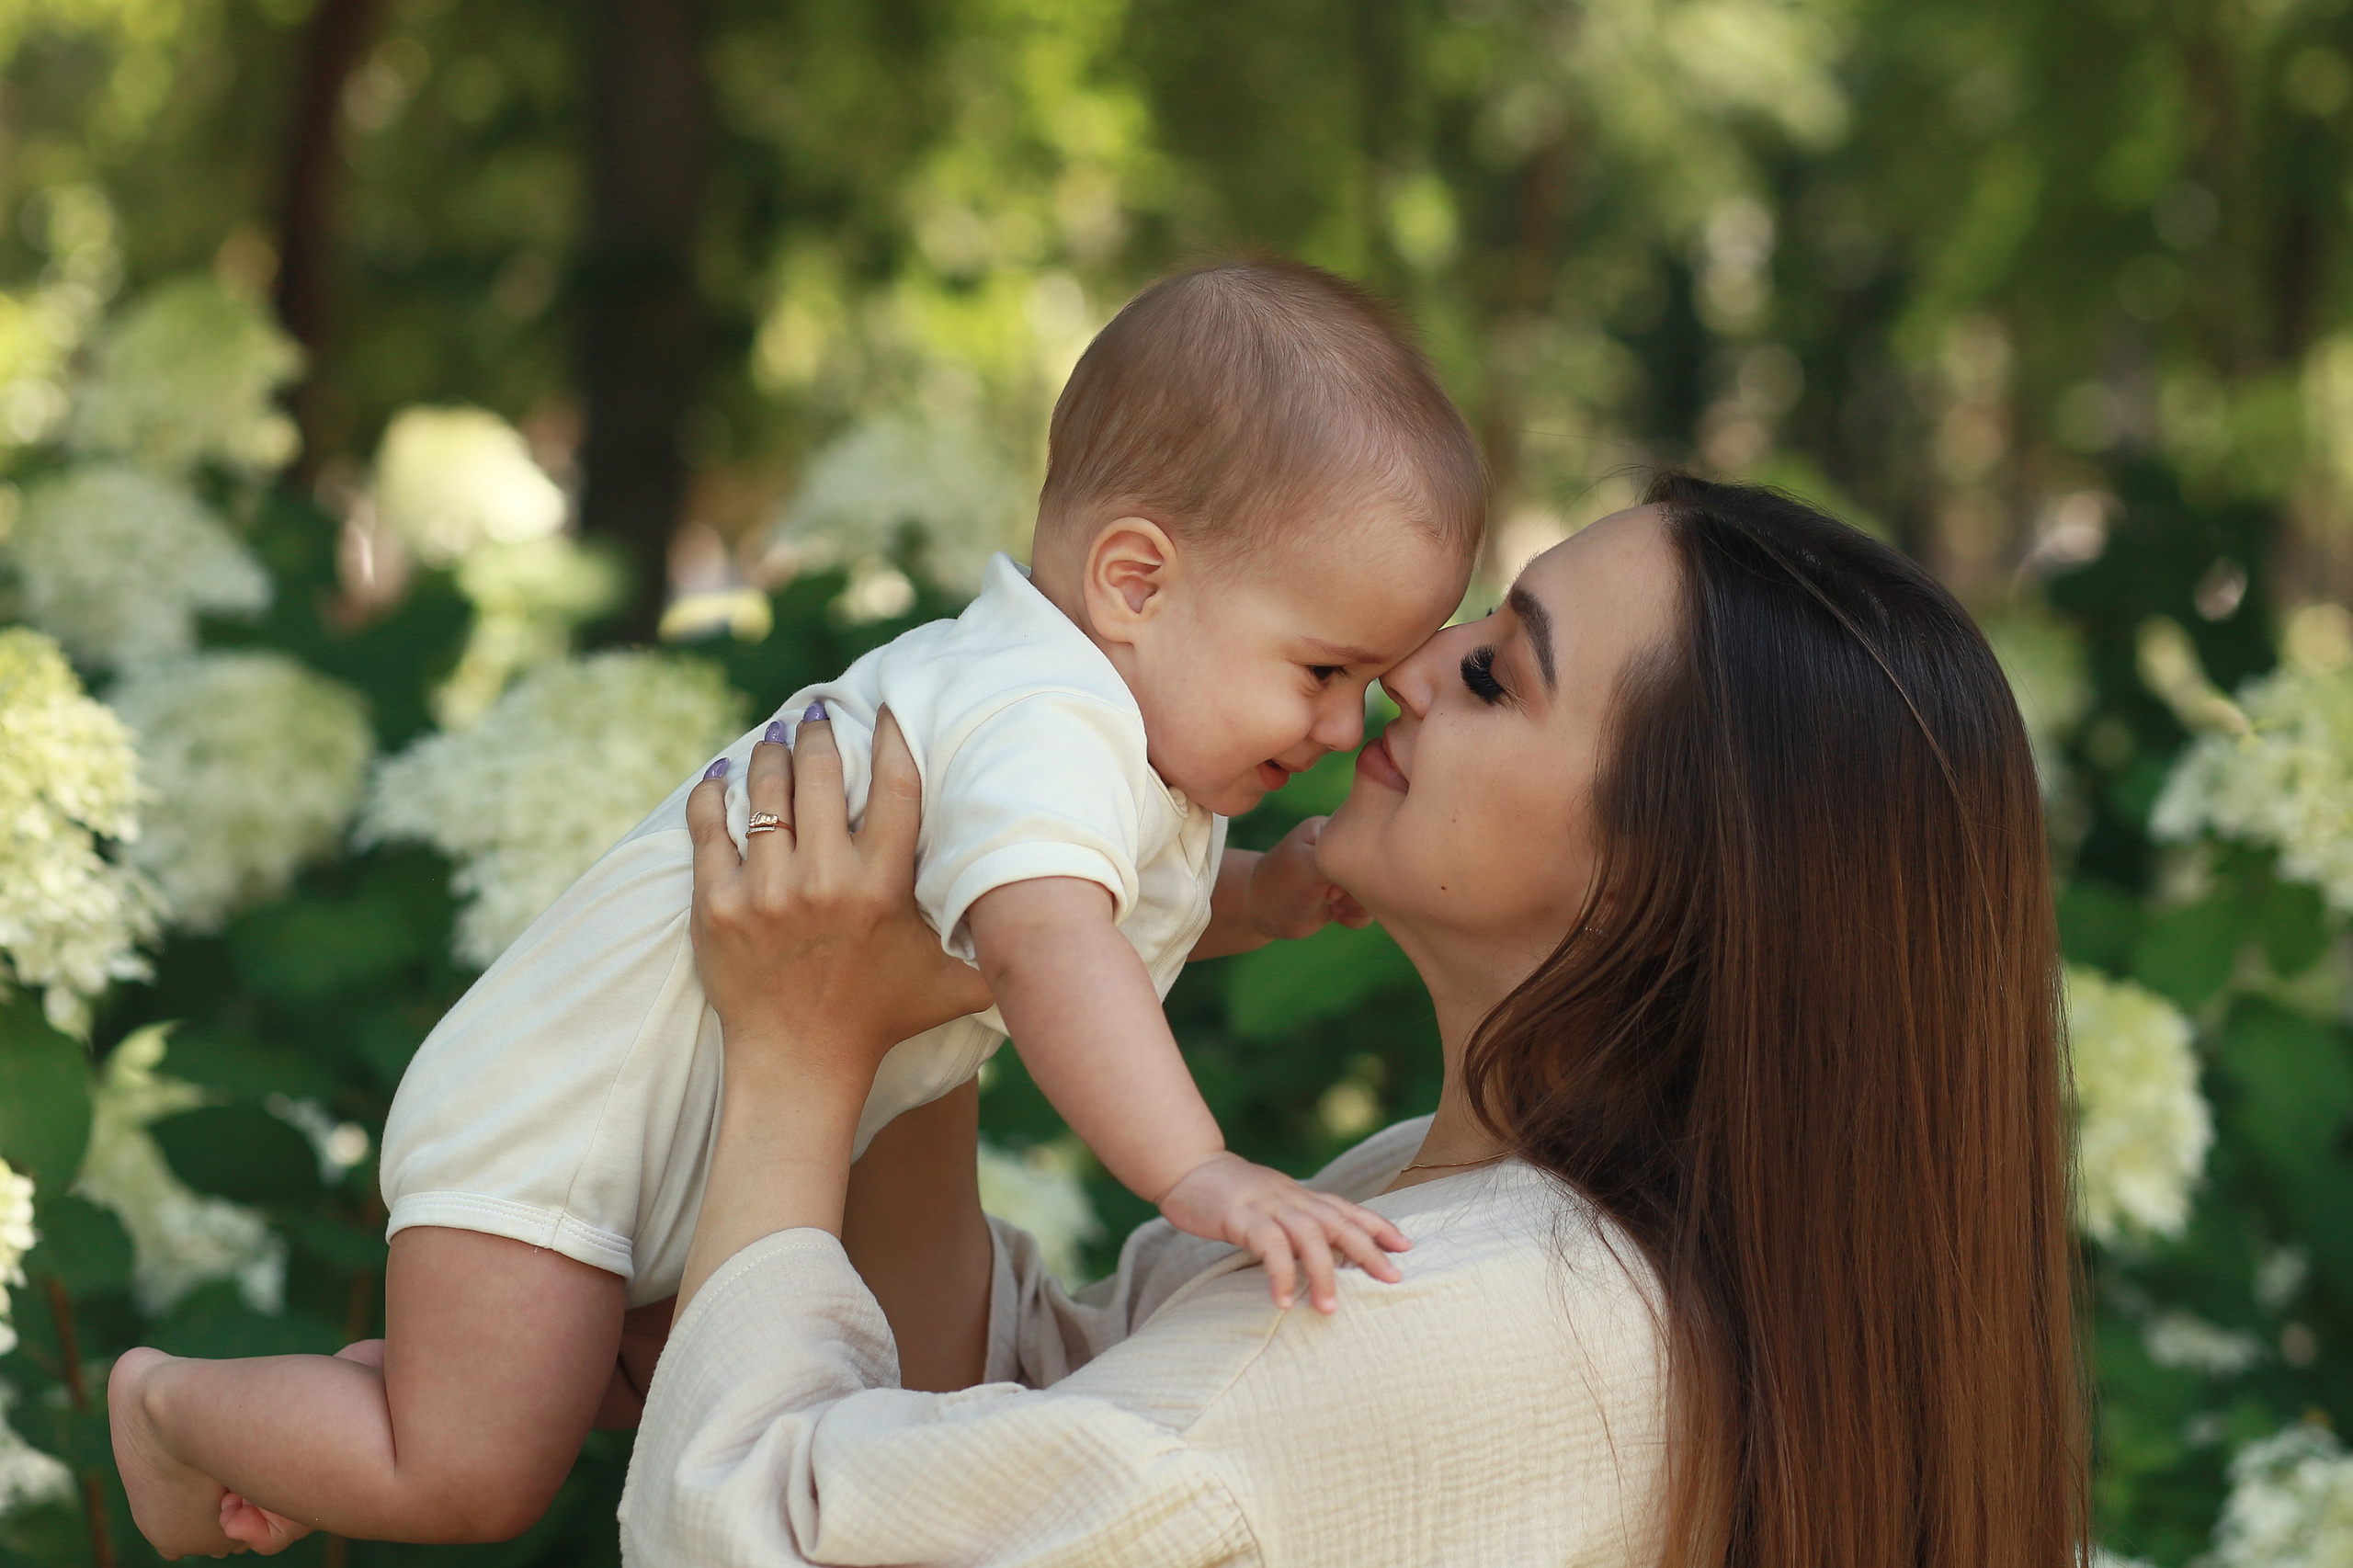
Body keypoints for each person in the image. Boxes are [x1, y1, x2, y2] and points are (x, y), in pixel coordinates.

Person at [108, 258, 1483, 1557]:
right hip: (560, 1122)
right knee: (470, 1474)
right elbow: (1054, 944)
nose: (1342, 720)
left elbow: (1106, 918)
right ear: (1137, 581)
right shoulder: (1039, 718)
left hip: (672, 1138)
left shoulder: (1111, 740)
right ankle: (169, 1405)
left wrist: (1268, 894)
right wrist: (1204, 1171)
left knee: (629, 1379)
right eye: (1320, 667)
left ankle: (398, 1391)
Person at [622, 475, 2088, 1566]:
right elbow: (1026, 1410)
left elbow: (742, 1531)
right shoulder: (1491, 1214)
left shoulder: (1456, 1312)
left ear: (1669, 874)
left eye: (1500, 670)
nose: (1401, 670)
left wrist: (799, 1057)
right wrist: (950, 953)